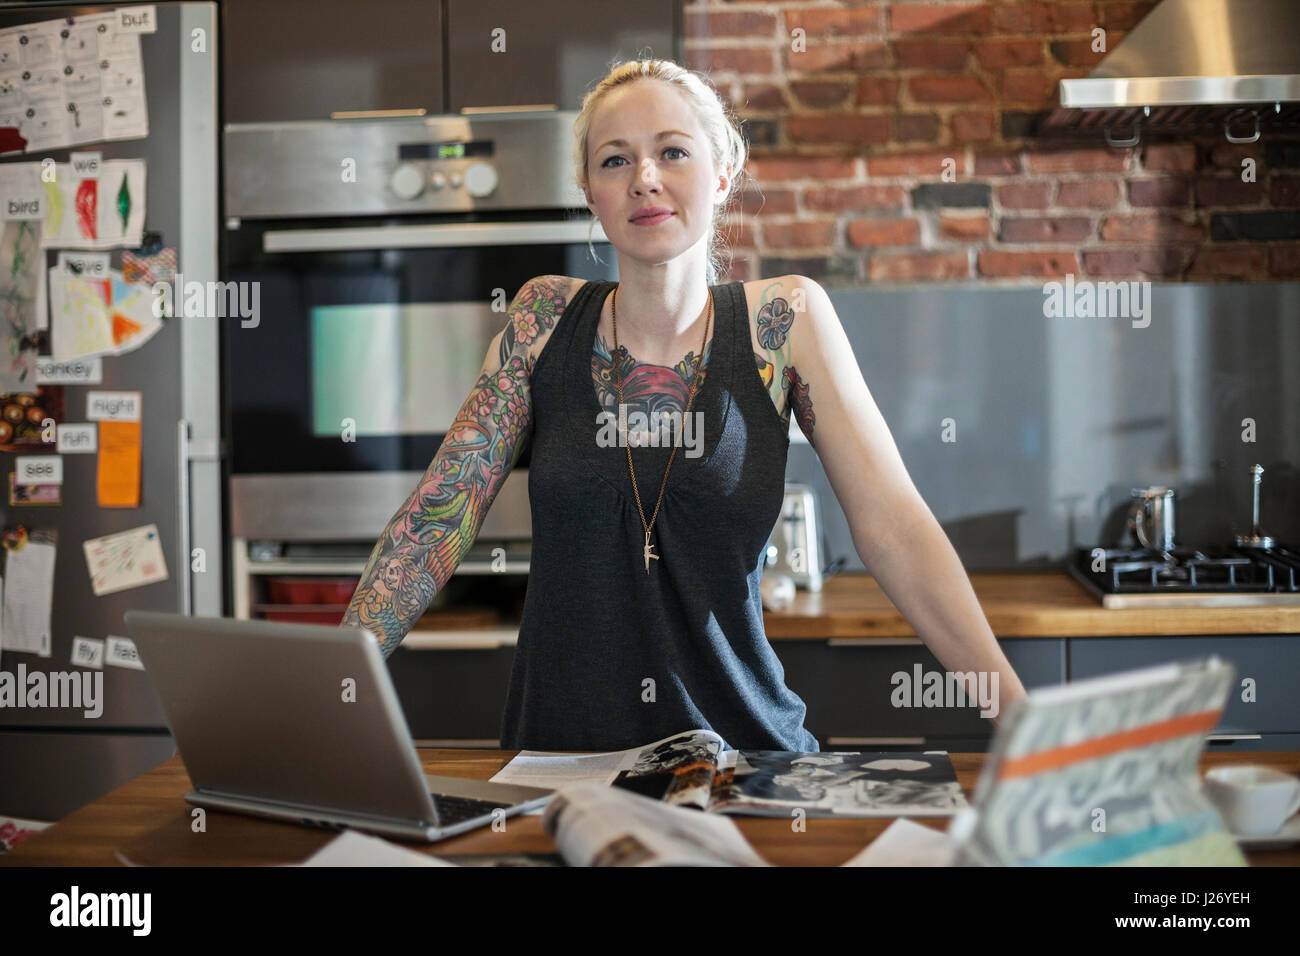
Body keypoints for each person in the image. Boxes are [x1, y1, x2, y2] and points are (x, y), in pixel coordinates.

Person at [343, 57, 1027, 752]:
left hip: (744, 760)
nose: (644, 177)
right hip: (559, 763)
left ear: (722, 172)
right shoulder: (542, 319)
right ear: (590, 191)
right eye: (615, 161)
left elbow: (895, 531)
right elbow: (435, 519)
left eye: (672, 151)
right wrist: (334, 684)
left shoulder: (784, 323)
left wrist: (1015, 714)